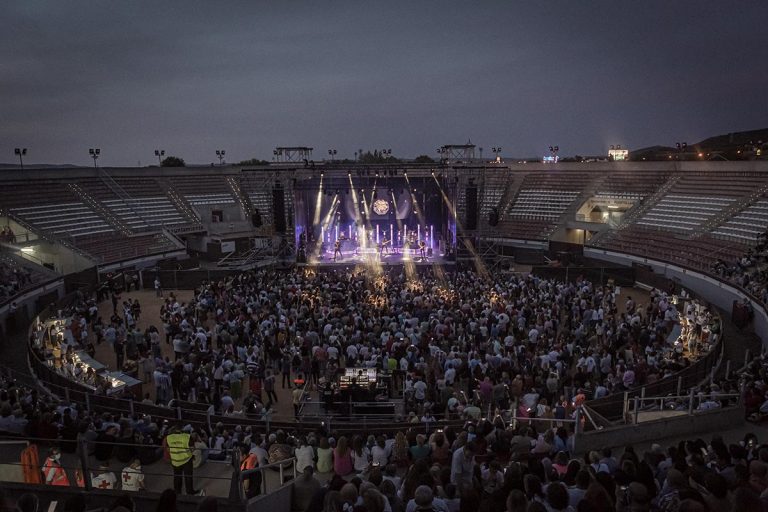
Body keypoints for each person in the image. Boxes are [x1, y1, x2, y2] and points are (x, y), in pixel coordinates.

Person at [166, 423, 202, 495]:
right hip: (186, 460)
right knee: (188, 476)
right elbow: (193, 448)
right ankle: (189, 492)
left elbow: (167, 449)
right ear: (182, 428)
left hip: (175, 460)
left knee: (177, 477)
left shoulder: (169, 437)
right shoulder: (187, 437)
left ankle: (177, 493)